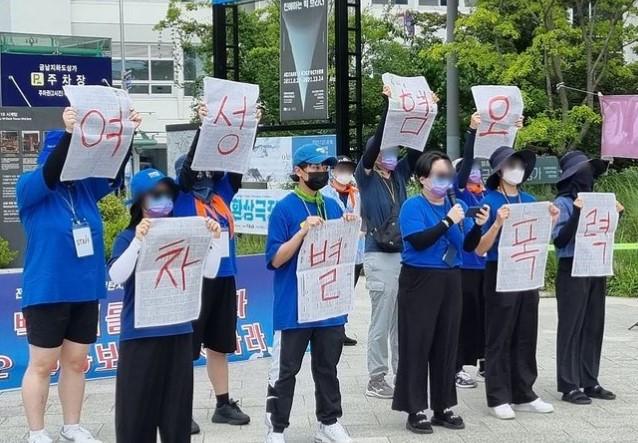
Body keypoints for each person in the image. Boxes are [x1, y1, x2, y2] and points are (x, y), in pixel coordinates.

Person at [16, 106, 141, 443]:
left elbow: (112, 168)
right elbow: (54, 169)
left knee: (76, 362)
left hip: (85, 289)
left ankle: (72, 424)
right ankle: (36, 431)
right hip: (47, 289)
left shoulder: (84, 189)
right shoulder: (30, 187)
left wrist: (126, 133)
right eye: (71, 155)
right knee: (42, 364)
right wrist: (70, 133)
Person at [108, 168, 221, 442]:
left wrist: (214, 240)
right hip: (141, 335)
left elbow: (210, 271)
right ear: (140, 200)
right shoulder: (128, 237)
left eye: (167, 193)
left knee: (177, 416)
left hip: (179, 331)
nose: (163, 199)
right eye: (155, 194)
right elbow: (115, 276)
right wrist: (138, 241)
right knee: (136, 416)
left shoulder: (184, 230)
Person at [264, 144, 357, 443]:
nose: (320, 172)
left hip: (328, 304)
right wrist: (302, 231)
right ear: (298, 171)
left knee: (327, 366)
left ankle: (328, 422)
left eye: (323, 167)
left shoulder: (332, 206)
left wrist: (349, 227)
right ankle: (276, 428)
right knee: (285, 369)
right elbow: (276, 259)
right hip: (294, 305)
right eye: (314, 167)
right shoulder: (284, 208)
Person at [173, 103, 257, 432]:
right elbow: (190, 169)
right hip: (192, 279)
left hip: (223, 278)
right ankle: (178, 408)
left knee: (220, 344)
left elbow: (235, 164)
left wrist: (249, 127)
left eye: (212, 173)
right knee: (185, 348)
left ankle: (223, 404)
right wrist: (206, 126)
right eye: (202, 173)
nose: (208, 178)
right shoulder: (178, 195)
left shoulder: (221, 195)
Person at [393, 151, 489, 434]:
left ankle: (443, 405)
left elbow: (469, 245)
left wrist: (478, 226)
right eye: (438, 175)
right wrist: (447, 221)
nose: (444, 180)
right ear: (423, 179)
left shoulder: (456, 205)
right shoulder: (413, 206)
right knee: (417, 343)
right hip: (420, 279)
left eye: (448, 175)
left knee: (446, 343)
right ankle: (414, 408)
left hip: (450, 279)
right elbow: (419, 241)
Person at [356, 85, 437, 399]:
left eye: (393, 150)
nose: (390, 155)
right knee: (383, 316)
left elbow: (417, 151)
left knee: (402, 319)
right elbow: (376, 143)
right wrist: (390, 107)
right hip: (378, 255)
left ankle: (404, 372)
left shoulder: (400, 175)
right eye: (385, 152)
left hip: (404, 253)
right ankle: (376, 377)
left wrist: (425, 112)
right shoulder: (366, 176)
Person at [475, 145, 559, 420]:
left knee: (526, 332)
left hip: (527, 271)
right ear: (499, 170)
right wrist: (497, 224)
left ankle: (524, 392)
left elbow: (539, 239)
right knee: (499, 334)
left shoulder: (529, 198)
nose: (517, 170)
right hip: (498, 270)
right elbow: (480, 247)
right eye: (511, 165)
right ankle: (498, 395)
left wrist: (552, 218)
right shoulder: (489, 201)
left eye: (520, 165)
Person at [452, 113, 524, 389]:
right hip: (466, 267)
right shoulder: (458, 195)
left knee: (489, 317)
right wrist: (472, 132)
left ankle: (486, 361)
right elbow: (467, 163)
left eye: (480, 173)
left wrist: (513, 134)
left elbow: (506, 164)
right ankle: (457, 366)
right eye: (470, 172)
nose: (476, 176)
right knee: (463, 319)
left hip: (490, 267)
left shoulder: (490, 196)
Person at [552, 150, 621, 405]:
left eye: (590, 173)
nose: (587, 177)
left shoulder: (599, 201)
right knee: (571, 326)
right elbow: (559, 240)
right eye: (582, 173)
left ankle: (590, 380)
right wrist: (578, 213)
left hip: (595, 265)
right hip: (571, 267)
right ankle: (569, 384)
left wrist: (616, 215)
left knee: (594, 324)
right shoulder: (562, 203)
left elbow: (604, 232)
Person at [321, 155, 365, 346]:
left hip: (355, 251)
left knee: (347, 292)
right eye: (341, 169)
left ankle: (341, 329)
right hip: (333, 251)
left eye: (348, 169)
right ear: (333, 171)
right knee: (331, 291)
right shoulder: (325, 193)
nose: (345, 173)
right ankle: (328, 330)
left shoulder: (356, 193)